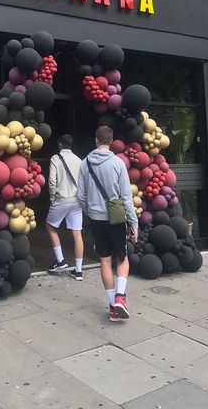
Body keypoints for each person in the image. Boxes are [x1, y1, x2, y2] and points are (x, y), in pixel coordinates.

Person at [77, 125, 138, 321]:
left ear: (96, 140)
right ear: (111, 142)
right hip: (117, 218)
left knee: (104, 260)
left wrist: (91, 211)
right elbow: (126, 197)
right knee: (122, 258)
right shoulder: (118, 163)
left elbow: (80, 196)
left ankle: (113, 307)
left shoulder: (85, 163)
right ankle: (120, 297)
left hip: (96, 219)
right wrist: (134, 223)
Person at [46, 134, 84, 280]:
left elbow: (52, 181)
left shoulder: (55, 159)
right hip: (76, 201)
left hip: (61, 200)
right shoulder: (79, 160)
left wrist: (51, 198)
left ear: (60, 144)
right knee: (77, 233)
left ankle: (60, 260)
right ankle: (78, 271)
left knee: (50, 227)